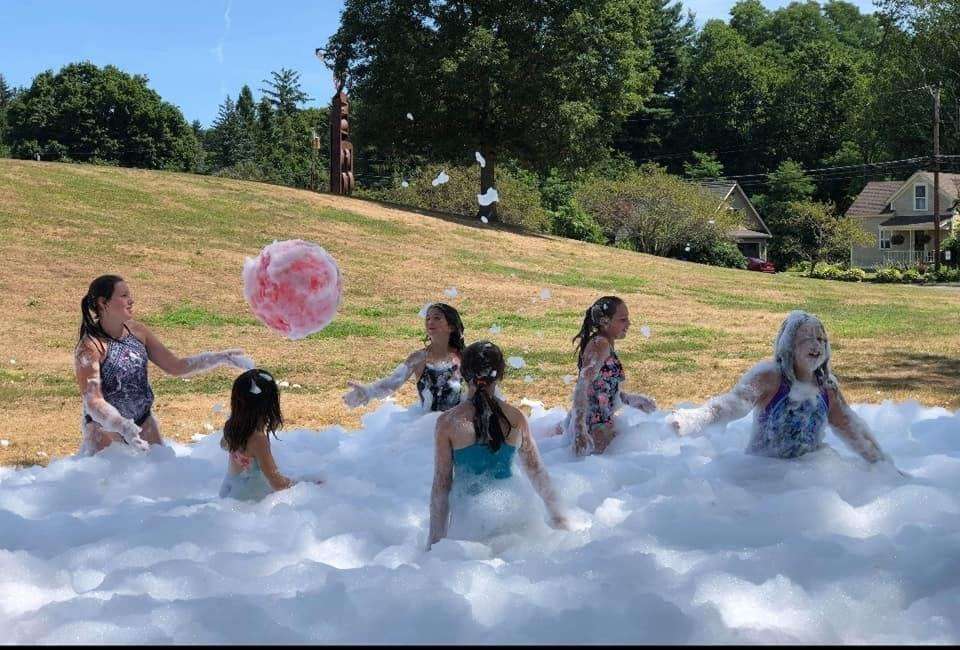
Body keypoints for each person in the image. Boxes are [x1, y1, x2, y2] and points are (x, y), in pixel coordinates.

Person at [666, 310, 894, 465]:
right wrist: (695, 419)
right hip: (764, 473)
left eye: (822, 339)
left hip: (809, 476)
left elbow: (851, 428)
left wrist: (883, 466)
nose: (816, 345)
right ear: (788, 345)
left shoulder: (827, 387)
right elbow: (733, 404)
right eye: (807, 338)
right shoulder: (770, 377)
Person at [74, 275, 253, 455]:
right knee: (107, 482)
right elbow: (93, 401)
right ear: (103, 303)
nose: (131, 300)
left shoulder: (137, 332)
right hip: (104, 429)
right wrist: (123, 426)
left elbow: (176, 366)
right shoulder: (90, 348)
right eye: (123, 296)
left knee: (162, 476)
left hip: (143, 421)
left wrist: (219, 358)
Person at [427, 341, 569, 549]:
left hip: (471, 530)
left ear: (462, 373)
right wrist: (560, 519)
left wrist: (434, 544)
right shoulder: (516, 418)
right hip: (517, 521)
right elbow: (537, 471)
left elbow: (442, 484)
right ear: (501, 374)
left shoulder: (449, 424)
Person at [557, 296, 657, 456]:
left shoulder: (606, 343)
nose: (629, 324)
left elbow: (601, 387)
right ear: (605, 322)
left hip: (599, 422)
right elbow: (582, 386)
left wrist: (628, 399)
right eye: (623, 319)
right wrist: (579, 429)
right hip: (593, 427)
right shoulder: (600, 345)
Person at [343, 303, 465, 412]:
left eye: (437, 318)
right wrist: (367, 392)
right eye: (427, 318)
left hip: (458, 425)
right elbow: (391, 383)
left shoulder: (464, 356)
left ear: (451, 327)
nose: (430, 322)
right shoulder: (418, 358)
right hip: (428, 426)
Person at [219, 368, 302, 500]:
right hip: (248, 500)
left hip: (228, 492)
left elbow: (224, 445)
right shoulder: (258, 440)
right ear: (269, 405)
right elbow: (277, 482)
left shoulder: (231, 425)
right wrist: (302, 485)